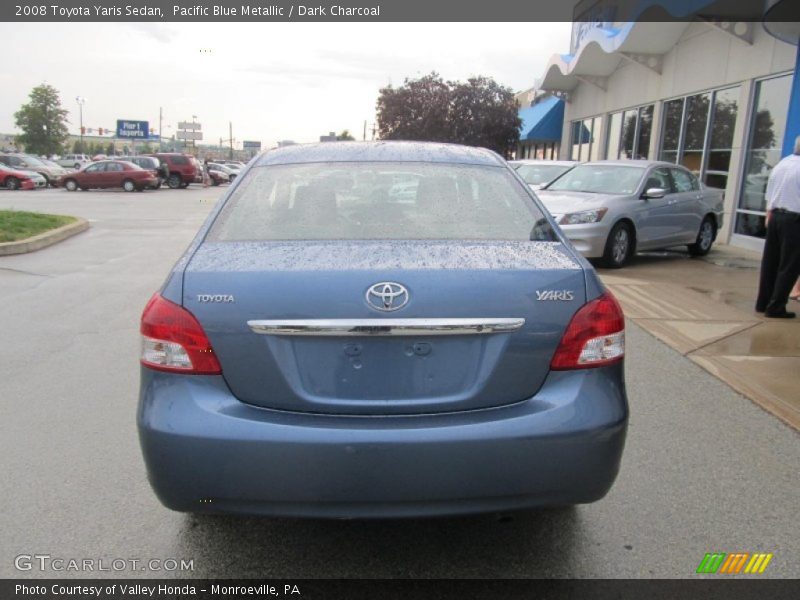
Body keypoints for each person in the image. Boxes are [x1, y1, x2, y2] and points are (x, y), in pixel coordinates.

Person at [755, 135, 800, 318]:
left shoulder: (782, 164)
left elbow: (770, 193)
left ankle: (763, 303)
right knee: (789, 265)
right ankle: (776, 307)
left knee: (770, 262)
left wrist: (769, 216)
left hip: (776, 217)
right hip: (794, 220)